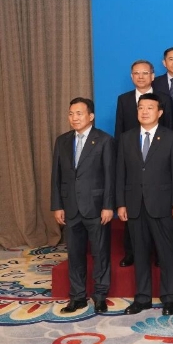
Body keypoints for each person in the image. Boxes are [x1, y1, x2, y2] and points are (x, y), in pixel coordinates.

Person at [116, 93, 173, 316]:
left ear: (160, 112)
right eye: (141, 108)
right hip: (135, 204)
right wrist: (121, 204)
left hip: (163, 204)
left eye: (150, 108)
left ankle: (170, 297)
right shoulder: (126, 138)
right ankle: (142, 298)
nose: (144, 112)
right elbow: (121, 173)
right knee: (140, 253)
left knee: (167, 253)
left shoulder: (171, 138)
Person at [51, 97, 114, 314]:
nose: (74, 118)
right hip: (70, 207)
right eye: (71, 114)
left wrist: (108, 206)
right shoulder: (62, 141)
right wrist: (57, 205)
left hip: (96, 207)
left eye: (79, 113)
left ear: (91, 116)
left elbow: (110, 176)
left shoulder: (104, 140)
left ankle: (100, 295)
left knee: (100, 254)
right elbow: (56, 176)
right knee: (75, 254)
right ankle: (77, 297)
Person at [114, 59, 173, 268]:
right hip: (133, 163)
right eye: (136, 73)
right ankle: (131, 253)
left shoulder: (164, 99)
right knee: (134, 221)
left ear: (152, 76)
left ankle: (158, 255)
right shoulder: (124, 100)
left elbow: (169, 131)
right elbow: (119, 130)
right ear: (132, 76)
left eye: (145, 73)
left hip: (157, 167)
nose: (141, 77)